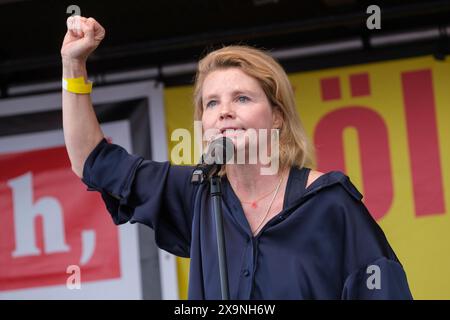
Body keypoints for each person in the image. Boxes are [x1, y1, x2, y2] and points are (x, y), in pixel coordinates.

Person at [61, 16, 413, 300]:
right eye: (211, 103)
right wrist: (73, 66)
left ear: (276, 116)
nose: (224, 112)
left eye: (242, 98)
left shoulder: (329, 203)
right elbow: (91, 161)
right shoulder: (196, 193)